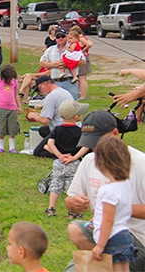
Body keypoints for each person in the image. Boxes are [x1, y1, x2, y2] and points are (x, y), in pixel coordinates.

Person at [63, 110, 145, 272]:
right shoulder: (89, 161)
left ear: (115, 134)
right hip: (104, 233)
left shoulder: (140, 163)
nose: (94, 149)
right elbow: (70, 202)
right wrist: (72, 203)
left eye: (98, 143)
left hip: (138, 238)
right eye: (90, 144)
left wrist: (113, 211)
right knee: (75, 229)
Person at [91, 134, 138, 271]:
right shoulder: (126, 184)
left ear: (102, 163)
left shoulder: (108, 191)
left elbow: (108, 221)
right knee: (124, 269)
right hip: (125, 235)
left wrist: (100, 245)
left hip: (112, 238)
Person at [43, 99, 90, 218]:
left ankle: (51, 208)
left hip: (58, 162)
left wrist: (59, 155)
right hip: (73, 163)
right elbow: (85, 146)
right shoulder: (80, 131)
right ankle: (72, 212)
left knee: (56, 183)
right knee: (72, 187)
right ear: (76, 117)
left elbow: (50, 143)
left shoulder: (57, 129)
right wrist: (74, 157)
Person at [26, 75, 73, 158]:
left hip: (60, 130)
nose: (40, 92)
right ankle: (59, 146)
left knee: (38, 152)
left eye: (39, 89)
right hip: (71, 128)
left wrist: (33, 115)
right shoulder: (64, 92)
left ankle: (59, 152)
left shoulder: (51, 97)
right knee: (43, 130)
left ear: (44, 84)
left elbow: (45, 120)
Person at [39, 27, 86, 100]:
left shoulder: (73, 48)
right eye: (58, 37)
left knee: (72, 105)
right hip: (55, 82)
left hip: (70, 82)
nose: (60, 38)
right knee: (56, 106)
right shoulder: (50, 49)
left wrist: (67, 64)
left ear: (66, 37)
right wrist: (54, 65)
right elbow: (42, 62)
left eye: (63, 36)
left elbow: (83, 62)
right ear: (55, 38)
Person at [0, 64, 21, 154]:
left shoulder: (14, 82)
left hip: (13, 108)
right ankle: (1, 147)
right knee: (0, 127)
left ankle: (12, 147)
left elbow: (16, 95)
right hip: (0, 108)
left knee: (12, 127)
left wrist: (19, 106)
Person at [69, 26, 93, 100]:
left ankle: (83, 96)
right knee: (80, 78)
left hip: (83, 59)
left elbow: (89, 44)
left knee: (82, 78)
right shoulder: (81, 38)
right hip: (80, 58)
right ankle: (80, 94)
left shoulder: (81, 38)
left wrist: (83, 50)